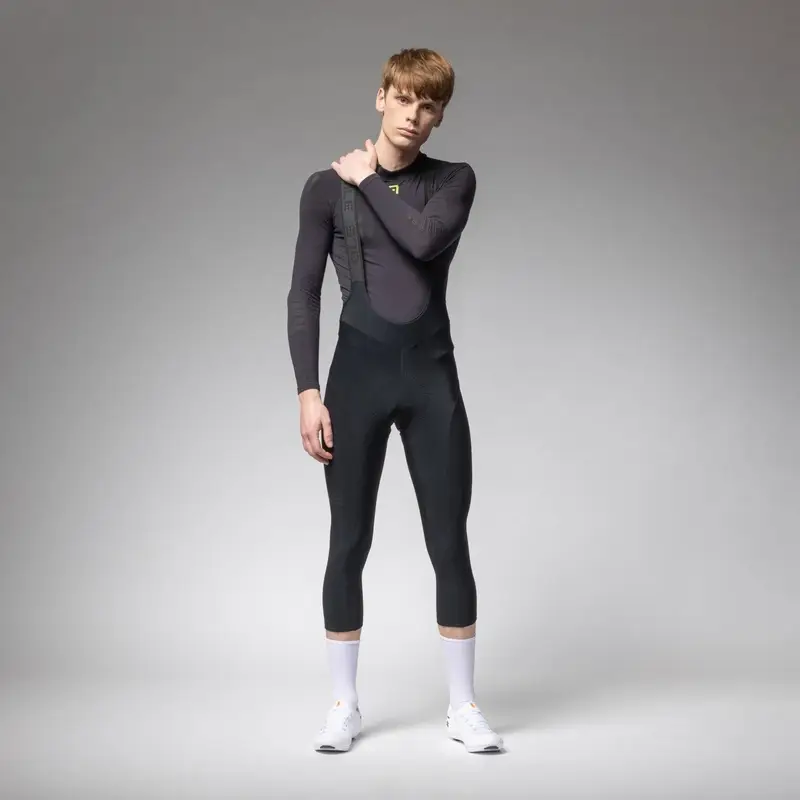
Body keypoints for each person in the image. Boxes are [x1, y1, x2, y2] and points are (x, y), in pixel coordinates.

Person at [286, 47, 503, 754]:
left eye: (428, 105)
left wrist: (369, 178)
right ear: (381, 96)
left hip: (430, 380)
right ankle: (343, 706)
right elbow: (304, 293)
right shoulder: (326, 188)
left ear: (440, 116)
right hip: (357, 380)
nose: (414, 115)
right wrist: (308, 392)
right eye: (404, 98)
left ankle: (463, 707)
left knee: (449, 541)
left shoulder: (453, 181)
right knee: (348, 539)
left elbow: (423, 240)